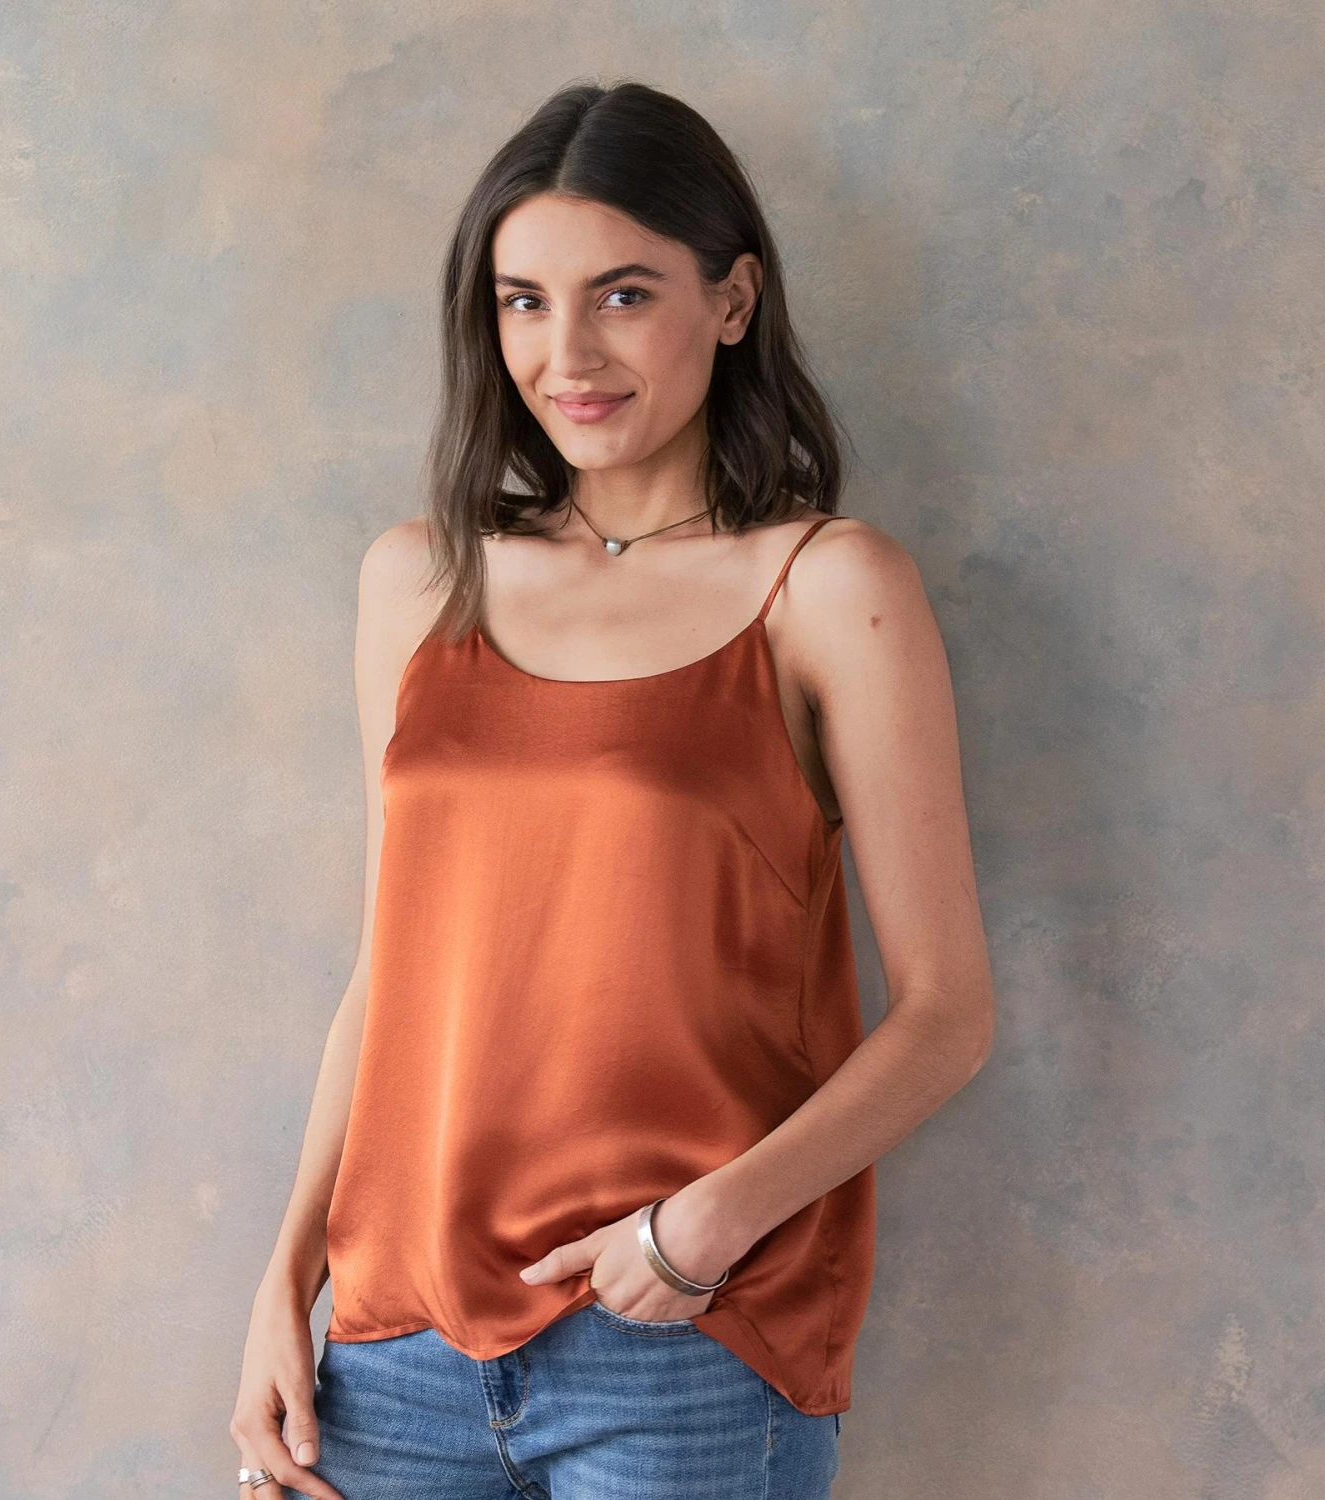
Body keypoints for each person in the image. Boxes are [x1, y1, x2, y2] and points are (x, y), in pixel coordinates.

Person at [229, 78, 994, 1500]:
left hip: (687, 1348)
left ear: (733, 299)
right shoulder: (420, 580)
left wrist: (700, 1231)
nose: (566, 353)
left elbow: (948, 1012)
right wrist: (285, 1281)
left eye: (623, 295)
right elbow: (390, 972)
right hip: (394, 1347)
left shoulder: (830, 589)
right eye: (523, 302)